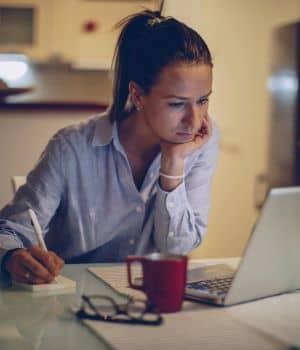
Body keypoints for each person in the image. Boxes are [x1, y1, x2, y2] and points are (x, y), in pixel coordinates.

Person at [0, 9, 219, 284]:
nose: (194, 120)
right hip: (74, 304)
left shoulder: (199, 142)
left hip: (146, 304)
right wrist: (13, 255)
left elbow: (177, 249)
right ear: (137, 95)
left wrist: (173, 165)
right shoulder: (71, 148)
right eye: (177, 103)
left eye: (202, 100)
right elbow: (10, 229)